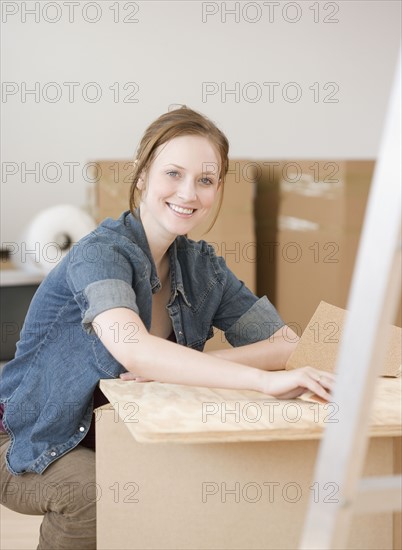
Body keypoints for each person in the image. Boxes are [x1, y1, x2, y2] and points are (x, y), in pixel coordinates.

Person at [0, 106, 334, 549]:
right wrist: (259, 380)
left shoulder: (203, 268)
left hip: (118, 435)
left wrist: (178, 366)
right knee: (95, 495)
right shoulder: (100, 254)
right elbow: (133, 348)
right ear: (142, 176)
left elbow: (284, 343)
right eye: (173, 173)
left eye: (205, 179)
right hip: (28, 437)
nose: (188, 192)